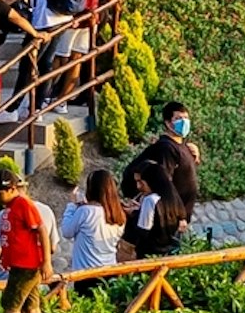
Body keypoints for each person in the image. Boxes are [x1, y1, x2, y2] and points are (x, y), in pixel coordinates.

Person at [0, 165, 58, 313]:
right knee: (31, 305)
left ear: (12, 188)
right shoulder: (11, 208)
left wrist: (46, 262)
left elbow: (41, 229)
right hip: (21, 265)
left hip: (26, 266)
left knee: (10, 305)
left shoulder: (22, 204)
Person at [124, 106, 203, 251]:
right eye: (178, 118)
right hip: (170, 219)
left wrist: (195, 157)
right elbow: (164, 183)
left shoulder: (182, 146)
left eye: (186, 118)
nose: (184, 122)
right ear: (167, 123)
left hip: (177, 217)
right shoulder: (166, 149)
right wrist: (178, 215)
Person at [63, 167, 126, 274]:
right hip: (109, 268)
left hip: (86, 271)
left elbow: (66, 231)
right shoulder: (119, 214)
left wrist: (72, 206)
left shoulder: (86, 211)